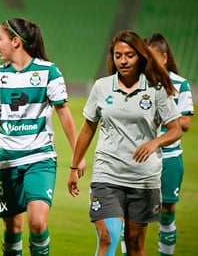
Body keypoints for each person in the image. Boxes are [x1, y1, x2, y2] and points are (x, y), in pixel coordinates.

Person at [67, 30, 183, 256]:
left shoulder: (156, 88)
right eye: (118, 55)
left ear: (140, 56)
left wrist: (155, 143)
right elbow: (88, 127)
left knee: (135, 245)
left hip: (144, 177)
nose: (123, 60)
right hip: (107, 174)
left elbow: (176, 128)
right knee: (107, 238)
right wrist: (74, 166)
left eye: (129, 55)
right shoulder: (101, 87)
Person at [0, 17, 85, 256]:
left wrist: (77, 155)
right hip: (7, 161)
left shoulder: (48, 72)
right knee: (12, 228)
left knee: (38, 224)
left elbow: (64, 113)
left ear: (16, 41)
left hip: (40, 159)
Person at [144, 33, 194, 256]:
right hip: (142, 158)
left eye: (154, 58)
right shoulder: (139, 82)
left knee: (167, 212)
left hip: (170, 157)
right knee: (134, 216)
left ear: (164, 58)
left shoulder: (180, 84)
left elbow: (186, 122)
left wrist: (165, 115)